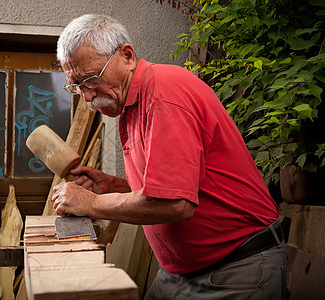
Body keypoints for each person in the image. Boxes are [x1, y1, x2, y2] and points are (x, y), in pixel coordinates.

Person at [52, 14, 287, 299]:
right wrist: (113, 187)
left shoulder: (165, 95)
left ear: (126, 55)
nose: (87, 96)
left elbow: (175, 204)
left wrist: (90, 203)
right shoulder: (130, 104)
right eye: (76, 85)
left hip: (236, 268)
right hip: (182, 273)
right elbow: (169, 188)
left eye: (91, 78)